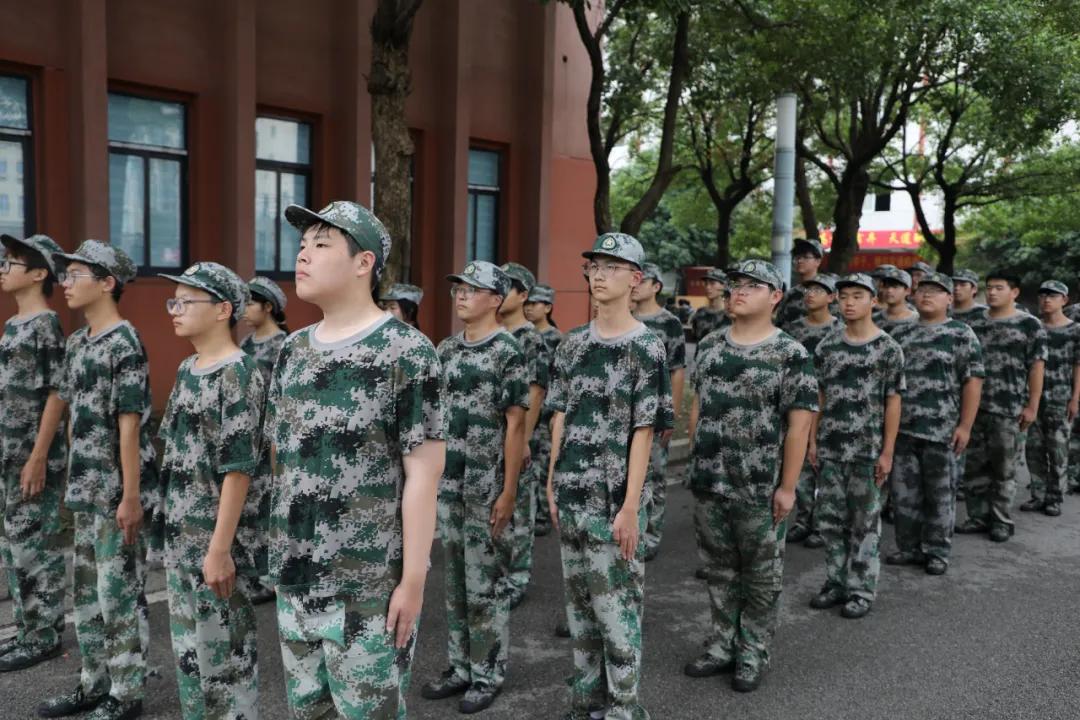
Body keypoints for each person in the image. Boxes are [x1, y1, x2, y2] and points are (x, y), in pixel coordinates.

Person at [266, 201, 445, 718]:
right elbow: (282, 460)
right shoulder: (293, 350)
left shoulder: (406, 352)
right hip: (296, 576)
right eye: (303, 245)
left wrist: (412, 582)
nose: (303, 255)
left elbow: (423, 474)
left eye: (321, 245)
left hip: (367, 586)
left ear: (364, 263)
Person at [545, 232, 671, 720]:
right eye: (594, 267)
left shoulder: (647, 347)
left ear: (635, 279)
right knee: (580, 612)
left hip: (613, 500)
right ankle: (586, 701)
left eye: (611, 268)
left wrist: (631, 505)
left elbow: (644, 430)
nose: (599, 276)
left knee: (616, 610)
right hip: (572, 493)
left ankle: (623, 707)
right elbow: (559, 415)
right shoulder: (572, 345)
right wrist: (553, 481)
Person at [683, 259, 816, 693]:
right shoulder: (710, 344)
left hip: (758, 486)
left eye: (752, 286)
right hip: (710, 480)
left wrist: (788, 487)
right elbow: (699, 405)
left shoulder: (790, 354)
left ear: (775, 297)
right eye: (736, 284)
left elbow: (799, 426)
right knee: (718, 569)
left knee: (760, 576)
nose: (738, 291)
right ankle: (723, 643)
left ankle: (753, 650)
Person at [39, 241, 158, 720]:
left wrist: (130, 496)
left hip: (115, 492)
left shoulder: (125, 343)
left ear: (107, 283)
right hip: (87, 489)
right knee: (87, 593)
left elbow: (130, 425)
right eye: (64, 275)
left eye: (75, 275)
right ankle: (93, 683)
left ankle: (126, 693)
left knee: (119, 593)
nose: (65, 284)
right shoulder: (78, 342)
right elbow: (70, 412)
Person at [156, 263, 265, 719]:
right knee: (191, 663)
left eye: (186, 302)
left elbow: (238, 471)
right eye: (173, 301)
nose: (175, 310)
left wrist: (219, 550)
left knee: (225, 666)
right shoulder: (188, 368)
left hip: (216, 547)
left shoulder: (239, 374)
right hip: (181, 540)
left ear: (223, 310)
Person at [421, 261, 528, 714]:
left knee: (485, 585)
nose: (461, 296)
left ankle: (487, 673)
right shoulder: (445, 349)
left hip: (486, 487)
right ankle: (460, 667)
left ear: (496, 300)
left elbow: (516, 425)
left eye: (472, 289)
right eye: (458, 289)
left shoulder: (508, 351)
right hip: (450, 484)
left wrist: (508, 491)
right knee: (455, 583)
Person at [808, 273, 904, 618]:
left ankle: (861, 589)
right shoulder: (827, 347)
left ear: (873, 301)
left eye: (858, 296)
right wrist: (812, 441)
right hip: (831, 448)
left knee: (864, 524)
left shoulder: (888, 349)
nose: (849, 302)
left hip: (867, 451)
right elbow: (818, 396)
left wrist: (887, 451)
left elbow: (893, 401)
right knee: (830, 521)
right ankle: (835, 581)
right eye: (844, 296)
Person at [0, 233, 67, 673]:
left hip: (32, 456)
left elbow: (58, 392)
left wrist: (39, 455)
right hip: (9, 453)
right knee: (12, 546)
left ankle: (44, 634)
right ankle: (27, 629)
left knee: (33, 546)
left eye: (12, 262)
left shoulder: (46, 325)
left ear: (39, 273)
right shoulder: (13, 324)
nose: (3, 268)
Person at [887, 272, 983, 573]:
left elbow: (973, 381)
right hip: (903, 429)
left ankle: (937, 551)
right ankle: (908, 547)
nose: (927, 295)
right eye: (923, 290)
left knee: (940, 495)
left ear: (949, 299)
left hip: (942, 430)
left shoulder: (961, 333)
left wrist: (965, 426)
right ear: (913, 295)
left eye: (936, 291)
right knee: (904, 495)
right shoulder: (901, 334)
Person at [957, 271, 1047, 542]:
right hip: (974, 407)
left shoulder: (1029, 325)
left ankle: (1001, 521)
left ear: (1014, 292)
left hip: (1009, 409)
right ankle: (977, 516)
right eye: (989, 288)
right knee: (974, 466)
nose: (993, 293)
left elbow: (1036, 367)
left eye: (999, 288)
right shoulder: (973, 322)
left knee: (1004, 469)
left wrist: (1032, 406)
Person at [498, 262, 549, 607]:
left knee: (519, 508)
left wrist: (525, 440)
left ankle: (516, 577)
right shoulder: (496, 334)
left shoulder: (529, 339)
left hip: (520, 438)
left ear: (523, 295)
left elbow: (536, 390)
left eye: (508, 287)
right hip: (494, 439)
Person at [632, 262, 686, 560]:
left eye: (644, 281)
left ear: (656, 286)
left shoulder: (669, 323)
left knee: (654, 476)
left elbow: (677, 370)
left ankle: (651, 534)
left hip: (654, 412)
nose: (636, 285)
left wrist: (671, 413)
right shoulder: (625, 318)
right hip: (626, 412)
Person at [785, 274, 840, 549]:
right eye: (808, 290)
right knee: (801, 466)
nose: (810, 294)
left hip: (830, 407)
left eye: (818, 290)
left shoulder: (840, 331)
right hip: (798, 405)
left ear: (831, 297)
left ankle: (823, 524)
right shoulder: (792, 330)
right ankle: (803, 519)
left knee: (825, 467)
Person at [1020, 281, 1080, 517]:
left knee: (1058, 449)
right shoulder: (1034, 328)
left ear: (1064, 300)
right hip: (1032, 398)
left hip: (1060, 397)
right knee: (1033, 448)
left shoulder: (1075, 330)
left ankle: (1055, 497)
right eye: (1043, 295)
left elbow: (1078, 366)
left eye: (1053, 296)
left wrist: (1075, 398)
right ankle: (1038, 494)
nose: (1046, 300)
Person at [523, 283, 562, 538]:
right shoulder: (522, 336)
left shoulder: (557, 339)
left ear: (547, 307)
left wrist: (556, 413)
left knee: (543, 462)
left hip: (546, 413)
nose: (529, 308)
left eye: (534, 304)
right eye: (527, 303)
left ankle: (542, 514)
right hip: (525, 411)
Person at [241, 275, 289, 387]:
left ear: (268, 307)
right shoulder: (246, 342)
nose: (244, 311)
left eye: (249, 304)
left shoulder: (283, 344)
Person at [775, 239, 825, 331]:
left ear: (818, 261)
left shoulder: (827, 292)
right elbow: (779, 326)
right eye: (797, 257)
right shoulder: (790, 295)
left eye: (805, 257)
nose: (800, 261)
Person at [873, 266, 918, 335]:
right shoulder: (874, 319)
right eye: (886, 286)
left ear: (908, 291)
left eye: (895, 287)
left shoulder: (918, 320)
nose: (889, 290)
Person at [690, 268, 729, 343]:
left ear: (724, 286)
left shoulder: (730, 315)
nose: (708, 287)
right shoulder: (700, 313)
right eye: (706, 284)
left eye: (712, 283)